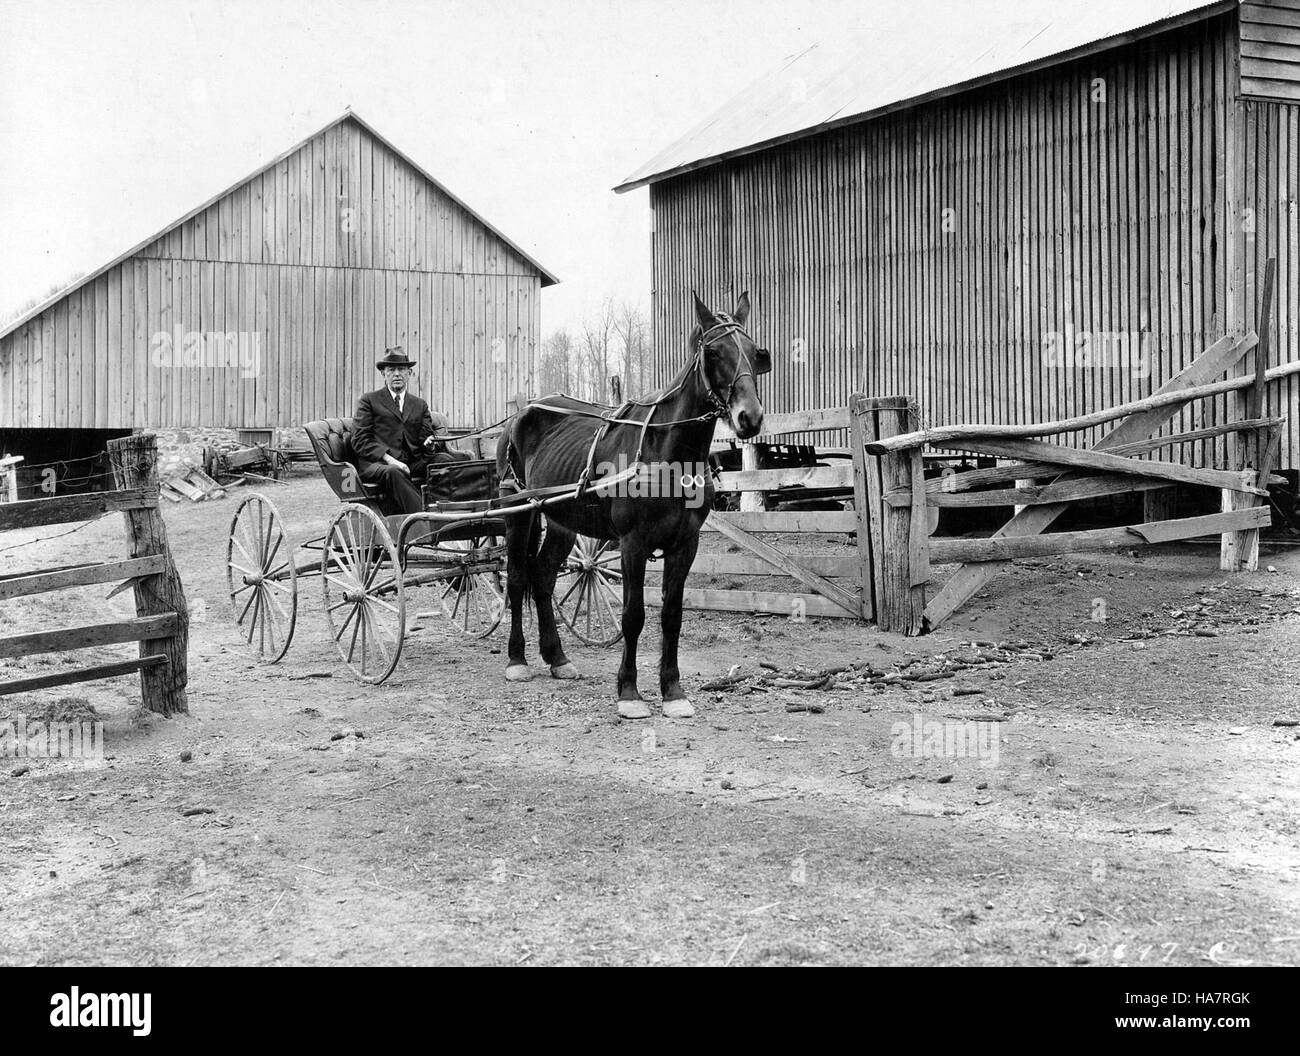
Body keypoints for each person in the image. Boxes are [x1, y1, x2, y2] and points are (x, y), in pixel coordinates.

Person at [352, 347, 469, 515]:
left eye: (401, 369)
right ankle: (424, 518)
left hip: (411, 463)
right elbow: (360, 440)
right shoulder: (369, 401)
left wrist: (429, 445)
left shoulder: (419, 404)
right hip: (378, 464)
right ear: (383, 374)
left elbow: (425, 440)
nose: (397, 374)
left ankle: (449, 509)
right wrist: (390, 460)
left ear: (409, 373)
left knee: (443, 459)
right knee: (394, 471)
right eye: (391, 370)